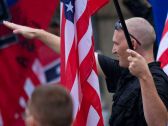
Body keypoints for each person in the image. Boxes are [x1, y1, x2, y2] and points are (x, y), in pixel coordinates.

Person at [3, 17, 168, 126]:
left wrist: (144, 76)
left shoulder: (157, 80)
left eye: (117, 44)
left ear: (133, 44)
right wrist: (38, 34)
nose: (113, 49)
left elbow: (160, 123)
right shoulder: (125, 71)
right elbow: (76, 55)